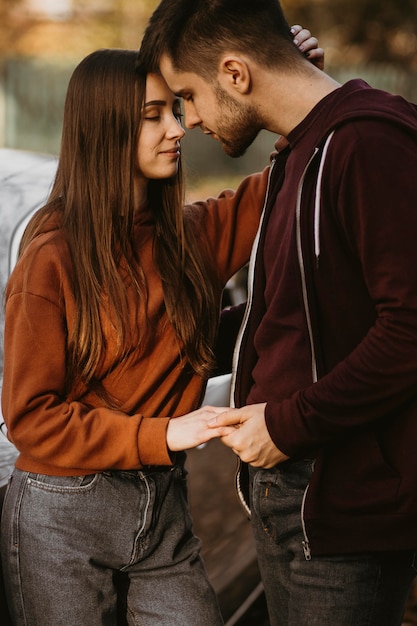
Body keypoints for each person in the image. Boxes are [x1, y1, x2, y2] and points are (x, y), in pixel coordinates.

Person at [0, 29, 322, 626]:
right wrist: (165, 434)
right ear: (106, 129)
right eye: (153, 116)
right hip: (63, 514)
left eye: (174, 111)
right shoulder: (51, 256)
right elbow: (30, 417)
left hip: (163, 510)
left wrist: (293, 87)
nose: (177, 129)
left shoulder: (189, 236)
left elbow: (276, 187)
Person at [138, 1, 417, 625]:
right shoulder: (302, 152)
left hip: (344, 510)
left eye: (189, 95)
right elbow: (291, 315)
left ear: (235, 74)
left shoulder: (371, 142)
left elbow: (409, 329)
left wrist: (288, 425)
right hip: (286, 495)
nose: (192, 121)